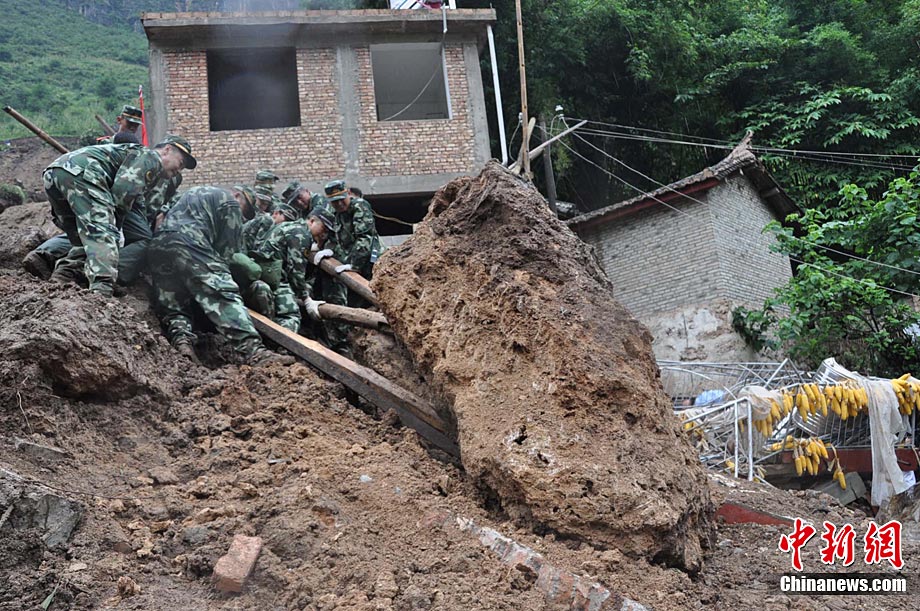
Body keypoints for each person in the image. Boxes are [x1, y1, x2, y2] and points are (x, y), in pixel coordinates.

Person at [148, 185, 292, 366]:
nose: (242, 216)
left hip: (158, 243)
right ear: (237, 195)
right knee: (223, 294)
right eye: (245, 210)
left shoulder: (192, 193)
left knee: (174, 300)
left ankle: (182, 341)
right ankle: (254, 351)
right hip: (190, 242)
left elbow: (160, 217)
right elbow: (227, 253)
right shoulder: (230, 202)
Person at [42, 135, 194, 296]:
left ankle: (63, 277)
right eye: (180, 163)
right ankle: (101, 291)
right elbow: (122, 194)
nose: (179, 170)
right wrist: (115, 228)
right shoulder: (151, 158)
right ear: (167, 150)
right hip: (83, 174)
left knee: (82, 240)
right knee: (102, 232)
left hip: (55, 172)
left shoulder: (136, 156)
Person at [303, 207, 351, 356]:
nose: (324, 233)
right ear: (312, 221)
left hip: (319, 282)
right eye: (323, 228)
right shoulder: (300, 233)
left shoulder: (326, 240)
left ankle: (338, 343)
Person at [321, 179, 381, 297]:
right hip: (351, 261)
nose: (339, 204)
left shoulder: (359, 206)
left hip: (370, 261)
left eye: (341, 199)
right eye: (335, 201)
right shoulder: (336, 213)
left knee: (374, 294)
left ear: (348, 193)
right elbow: (334, 237)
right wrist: (329, 249)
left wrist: (354, 265)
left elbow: (364, 238)